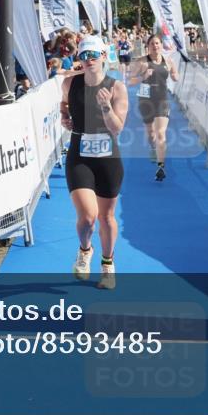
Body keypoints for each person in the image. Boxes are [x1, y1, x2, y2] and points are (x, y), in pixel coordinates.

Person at [60, 37, 128, 290]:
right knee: (88, 217)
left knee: (107, 217)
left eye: (93, 54)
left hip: (108, 158)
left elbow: (118, 128)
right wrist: (64, 116)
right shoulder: (70, 83)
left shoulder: (116, 87)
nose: (88, 59)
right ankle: (84, 250)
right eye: (83, 54)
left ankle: (108, 264)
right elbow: (64, 104)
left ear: (103, 55)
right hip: (79, 155)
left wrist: (106, 107)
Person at [129, 35, 179, 182]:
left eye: (157, 43)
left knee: (161, 134)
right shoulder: (142, 62)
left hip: (162, 100)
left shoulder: (168, 61)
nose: (155, 46)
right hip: (146, 101)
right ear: (148, 46)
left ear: (161, 45)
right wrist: (143, 76)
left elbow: (175, 74)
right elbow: (130, 81)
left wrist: (176, 76)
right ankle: (153, 148)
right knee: (151, 134)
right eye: (152, 44)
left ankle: (160, 166)